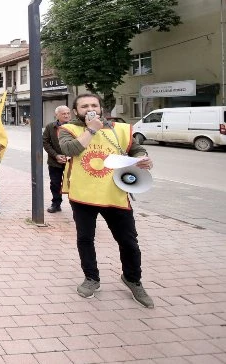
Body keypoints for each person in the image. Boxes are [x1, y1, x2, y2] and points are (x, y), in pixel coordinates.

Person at [58, 93, 154, 308]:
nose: (90, 108)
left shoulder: (119, 129)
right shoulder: (69, 130)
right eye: (84, 106)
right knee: (85, 239)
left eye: (94, 105)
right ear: (76, 112)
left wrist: (145, 158)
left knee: (128, 241)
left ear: (101, 108)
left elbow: (135, 148)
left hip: (115, 193)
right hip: (83, 194)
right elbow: (70, 149)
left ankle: (133, 279)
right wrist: (92, 129)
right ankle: (91, 278)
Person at [43, 105, 72, 213]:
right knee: (55, 183)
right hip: (55, 161)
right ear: (57, 115)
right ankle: (56, 203)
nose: (66, 115)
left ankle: (76, 206)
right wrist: (56, 155)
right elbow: (45, 142)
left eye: (68, 113)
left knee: (73, 183)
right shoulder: (50, 127)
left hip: (72, 161)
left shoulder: (75, 126)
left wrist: (70, 155)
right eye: (63, 113)